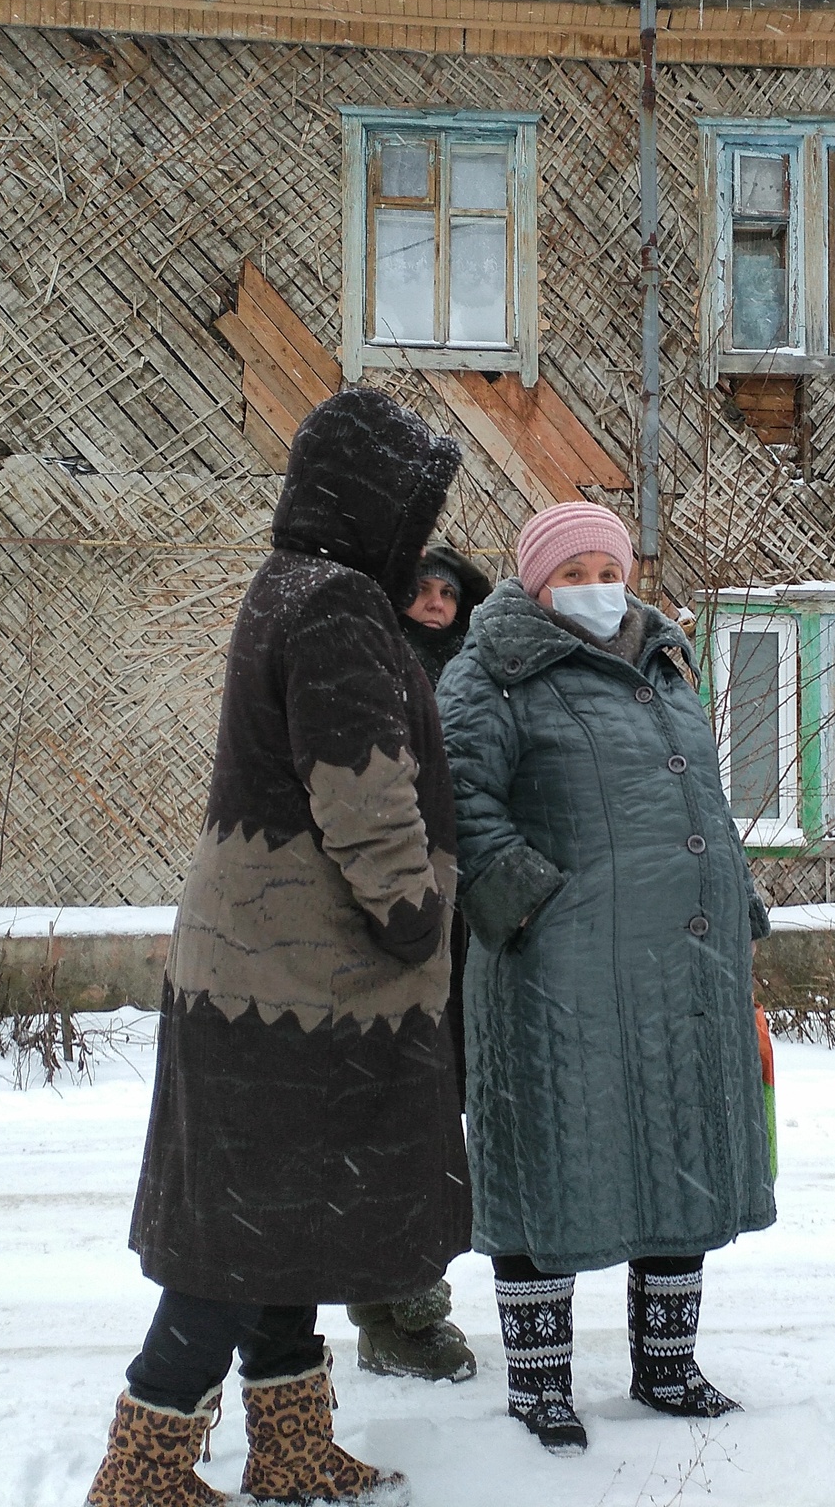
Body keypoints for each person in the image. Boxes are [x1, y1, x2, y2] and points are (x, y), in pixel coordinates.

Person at [86, 390, 470, 1507]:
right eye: (412, 502)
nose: (419, 526)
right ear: (370, 502)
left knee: (276, 1219)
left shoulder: (286, 590)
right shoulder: (340, 606)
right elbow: (360, 792)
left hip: (257, 969)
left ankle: (291, 1444)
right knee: (238, 1236)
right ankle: (144, 1467)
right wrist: (411, 916)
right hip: (310, 980)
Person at [436, 501, 776, 1455]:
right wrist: (533, 908)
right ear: (535, 583)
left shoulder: (665, 662)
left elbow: (700, 795)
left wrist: (736, 903)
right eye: (571, 571)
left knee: (678, 1147)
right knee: (555, 1157)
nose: (594, 586)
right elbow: (459, 802)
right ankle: (540, 1384)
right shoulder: (490, 673)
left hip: (685, 959)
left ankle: (668, 1366)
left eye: (606, 566)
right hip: (558, 969)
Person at [342, 544, 494, 1386]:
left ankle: (396, 1295)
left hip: (467, 929)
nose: (435, 603)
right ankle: (400, 1307)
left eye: (448, 592)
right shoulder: (367, 671)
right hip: (393, 924)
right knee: (402, 1114)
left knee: (433, 1112)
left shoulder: (479, 675)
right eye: (422, 591)